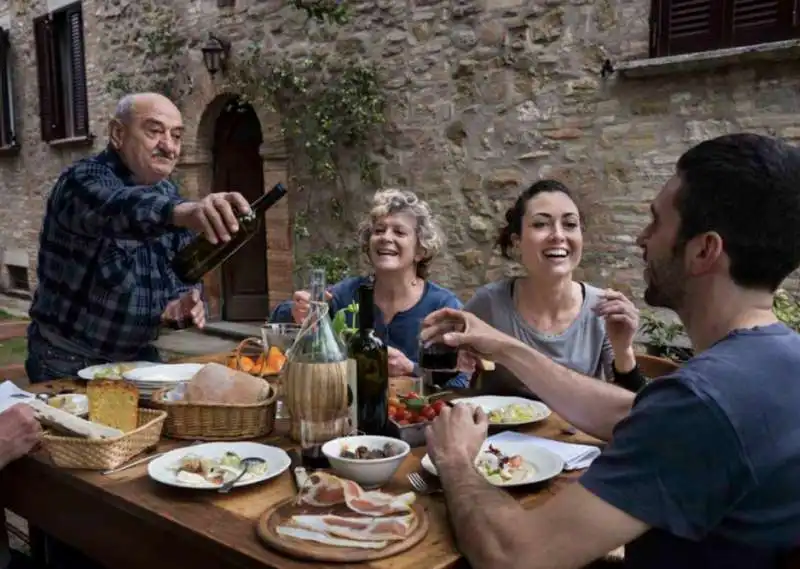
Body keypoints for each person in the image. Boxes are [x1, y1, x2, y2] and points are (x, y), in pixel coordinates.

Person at [421, 133, 800, 569]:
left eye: (656, 222)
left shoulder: (698, 405)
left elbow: (513, 555)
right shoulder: (774, 364)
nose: (642, 238)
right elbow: (632, 412)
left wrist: (455, 461)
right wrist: (505, 346)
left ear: (703, 251)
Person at [25, 93, 251, 383]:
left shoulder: (168, 195)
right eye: (154, 131)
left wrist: (181, 305)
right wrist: (183, 213)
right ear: (118, 134)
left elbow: (181, 277)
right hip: (67, 361)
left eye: (177, 136)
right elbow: (119, 207)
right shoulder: (81, 182)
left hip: (139, 359)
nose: (169, 146)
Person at [271, 188, 468, 387]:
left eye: (399, 232)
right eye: (379, 230)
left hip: (417, 417)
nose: (385, 237)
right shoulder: (346, 295)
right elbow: (276, 327)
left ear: (420, 250)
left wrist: (411, 369)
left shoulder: (442, 306)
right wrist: (297, 313)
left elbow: (463, 380)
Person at [464, 180, 645, 396]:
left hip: (577, 431)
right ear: (517, 242)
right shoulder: (489, 304)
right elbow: (446, 373)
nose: (558, 235)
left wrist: (623, 350)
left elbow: (631, 406)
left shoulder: (603, 310)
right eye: (541, 224)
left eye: (570, 224)